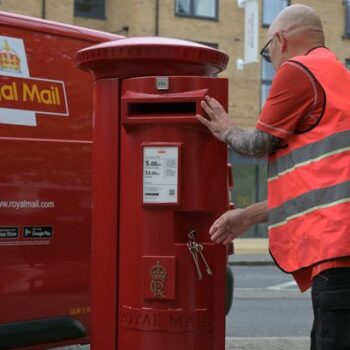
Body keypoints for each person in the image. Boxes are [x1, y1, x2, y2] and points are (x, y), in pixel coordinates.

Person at [196, 4, 350, 350]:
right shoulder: (341, 78)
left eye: (268, 54)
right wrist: (249, 216)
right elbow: (320, 189)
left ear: (279, 40)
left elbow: (259, 143)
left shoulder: (298, 70)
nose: (273, 63)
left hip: (336, 252)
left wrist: (225, 129)